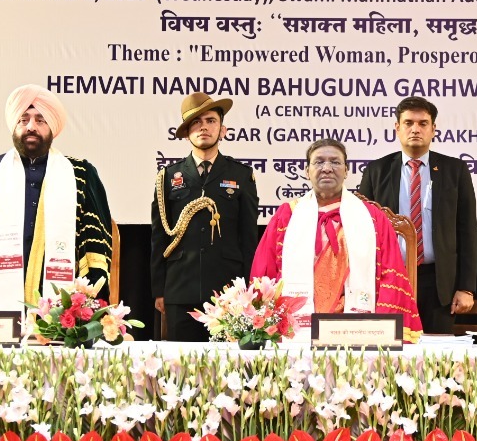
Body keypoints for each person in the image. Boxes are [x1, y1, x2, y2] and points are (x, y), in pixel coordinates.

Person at [0, 85, 116, 311]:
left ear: (52, 127)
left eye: (40, 120)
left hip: (64, 314)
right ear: (14, 125)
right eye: (23, 120)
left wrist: (89, 307)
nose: (31, 126)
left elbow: (95, 248)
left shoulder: (80, 174)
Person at [250, 139, 422, 339]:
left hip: (357, 331)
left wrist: (382, 330)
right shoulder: (287, 216)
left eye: (335, 162)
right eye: (319, 162)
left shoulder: (372, 218)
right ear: (307, 171)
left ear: (347, 170)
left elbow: (391, 273)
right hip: (297, 331)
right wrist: (264, 323)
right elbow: (265, 275)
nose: (327, 168)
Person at [356, 96, 477, 333]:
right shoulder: (376, 171)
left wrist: (466, 288)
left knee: (437, 353)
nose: (415, 129)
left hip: (438, 284)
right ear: (397, 128)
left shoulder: (455, 170)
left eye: (423, 123)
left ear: (433, 129)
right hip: (390, 279)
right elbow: (362, 232)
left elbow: (467, 232)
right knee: (391, 351)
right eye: (408, 123)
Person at [151, 92, 259, 341]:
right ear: (186, 132)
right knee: (179, 363)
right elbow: (158, 237)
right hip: (180, 288)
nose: (204, 127)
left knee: (227, 362)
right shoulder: (168, 177)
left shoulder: (241, 175)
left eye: (211, 121)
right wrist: (159, 289)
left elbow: (248, 237)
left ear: (223, 130)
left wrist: (248, 289)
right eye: (196, 122)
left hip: (228, 292)